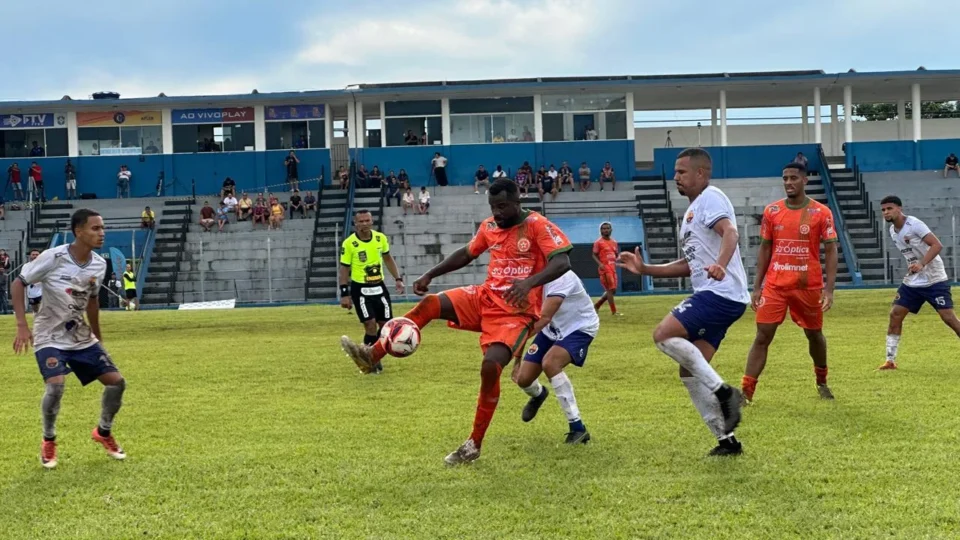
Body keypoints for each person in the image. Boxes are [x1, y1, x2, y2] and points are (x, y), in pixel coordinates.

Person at [340, 178, 573, 465]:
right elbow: (466, 253)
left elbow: (562, 262)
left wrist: (529, 283)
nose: (497, 212)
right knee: (431, 304)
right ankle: (372, 356)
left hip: (516, 312)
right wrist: (430, 274)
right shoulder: (489, 226)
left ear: (517, 202)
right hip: (485, 297)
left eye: (502, 206)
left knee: (490, 367)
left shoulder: (537, 225)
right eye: (493, 206)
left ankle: (474, 444)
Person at [618, 148, 747, 457]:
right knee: (689, 371)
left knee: (662, 335)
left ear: (701, 174)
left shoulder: (710, 198)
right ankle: (727, 442)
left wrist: (720, 265)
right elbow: (689, 265)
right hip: (723, 297)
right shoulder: (691, 213)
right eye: (675, 172)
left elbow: (730, 232)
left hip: (719, 293)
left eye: (682, 172)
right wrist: (646, 270)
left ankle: (725, 392)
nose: (676, 177)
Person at [11, 209, 127, 469]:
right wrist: (21, 325)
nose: (102, 233)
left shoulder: (99, 264)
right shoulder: (54, 257)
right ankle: (49, 439)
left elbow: (93, 301)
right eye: (95, 228)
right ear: (78, 231)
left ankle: (103, 432)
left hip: (80, 336)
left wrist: (97, 335)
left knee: (117, 383)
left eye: (102, 228)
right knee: (55, 387)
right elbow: (18, 283)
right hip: (48, 334)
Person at [741, 163, 838, 404]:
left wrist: (829, 289)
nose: (788, 182)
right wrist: (757, 286)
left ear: (805, 180)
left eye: (793, 178)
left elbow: (831, 249)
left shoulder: (821, 212)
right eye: (785, 178)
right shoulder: (772, 211)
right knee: (762, 335)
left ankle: (822, 381)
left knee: (814, 334)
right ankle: (746, 393)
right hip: (775, 285)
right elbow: (765, 248)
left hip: (808, 286)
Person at [512, 270, 599, 444]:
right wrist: (517, 361)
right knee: (523, 379)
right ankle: (539, 394)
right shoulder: (532, 274)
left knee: (551, 363)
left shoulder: (562, 276)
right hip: (551, 329)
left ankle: (578, 428)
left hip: (579, 327)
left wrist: (516, 349)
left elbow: (544, 317)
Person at [879, 195, 960, 369]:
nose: (886, 212)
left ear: (899, 208)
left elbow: (937, 245)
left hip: (934, 278)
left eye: (889, 208)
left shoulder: (914, 224)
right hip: (913, 280)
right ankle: (890, 361)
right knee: (895, 314)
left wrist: (922, 263)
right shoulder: (892, 230)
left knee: (949, 318)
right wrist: (914, 266)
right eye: (883, 210)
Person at [338, 210, 404, 373]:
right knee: (370, 325)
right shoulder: (349, 243)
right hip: (360, 289)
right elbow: (344, 268)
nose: (365, 224)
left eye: (367, 220)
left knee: (386, 326)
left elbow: (388, 258)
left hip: (379, 287)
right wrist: (344, 293)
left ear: (372, 221)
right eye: (361, 221)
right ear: (355, 224)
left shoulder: (380, 238)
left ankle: (371, 354)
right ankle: (372, 360)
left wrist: (398, 278)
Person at [592, 222, 621, 316]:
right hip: (605, 268)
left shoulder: (614, 242)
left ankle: (596, 305)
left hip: (613, 268)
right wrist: (600, 264)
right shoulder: (598, 242)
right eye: (604, 228)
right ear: (601, 230)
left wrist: (618, 259)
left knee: (613, 290)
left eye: (608, 228)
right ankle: (614, 311)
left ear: (611, 230)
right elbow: (594, 254)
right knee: (610, 290)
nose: (606, 230)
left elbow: (616, 254)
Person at [26, 249, 42, 314]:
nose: (35, 256)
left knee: (42, 309)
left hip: (42, 290)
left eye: (36, 255)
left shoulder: (44, 265)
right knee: (35, 309)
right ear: (30, 256)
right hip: (31, 291)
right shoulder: (26, 266)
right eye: (33, 255)